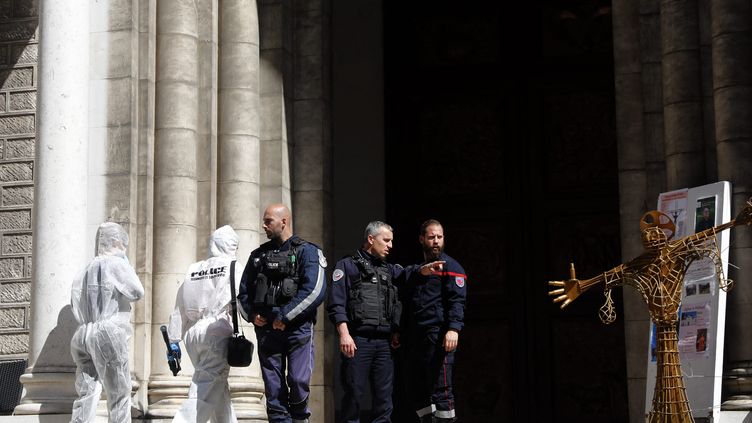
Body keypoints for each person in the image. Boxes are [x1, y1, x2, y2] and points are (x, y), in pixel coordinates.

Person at [237, 204, 327, 423]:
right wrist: (251, 315)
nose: (263, 225)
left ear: (283, 221)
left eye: (268, 221)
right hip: (267, 332)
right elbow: (242, 293)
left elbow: (315, 290)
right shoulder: (258, 256)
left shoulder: (308, 251)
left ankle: (300, 418)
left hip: (297, 330)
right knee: (274, 390)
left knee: (297, 381)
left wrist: (284, 317)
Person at [327, 221, 404, 423]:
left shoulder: (389, 270)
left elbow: (399, 296)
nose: (390, 245)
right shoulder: (348, 266)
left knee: (384, 399)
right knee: (354, 394)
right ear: (371, 239)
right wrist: (344, 334)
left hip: (385, 344)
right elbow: (336, 303)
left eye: (391, 241)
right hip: (358, 341)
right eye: (386, 240)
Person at [167, 225, 244, 423]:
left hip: (192, 335)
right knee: (203, 389)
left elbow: (179, 308)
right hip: (216, 332)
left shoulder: (194, 269)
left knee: (217, 388)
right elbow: (245, 301)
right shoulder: (234, 266)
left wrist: (173, 341)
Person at [70, 222, 145, 423]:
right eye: (122, 243)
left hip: (83, 334)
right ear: (116, 241)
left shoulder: (86, 268)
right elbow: (137, 291)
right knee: (120, 391)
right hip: (108, 332)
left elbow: (75, 302)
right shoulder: (116, 264)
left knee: (87, 390)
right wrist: (126, 265)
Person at [403, 219, 467, 423]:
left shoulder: (452, 267)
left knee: (442, 389)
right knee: (418, 389)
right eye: (431, 237)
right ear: (422, 239)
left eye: (440, 237)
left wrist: (454, 329)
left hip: (439, 336)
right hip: (416, 338)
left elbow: (457, 301)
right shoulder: (417, 270)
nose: (436, 241)